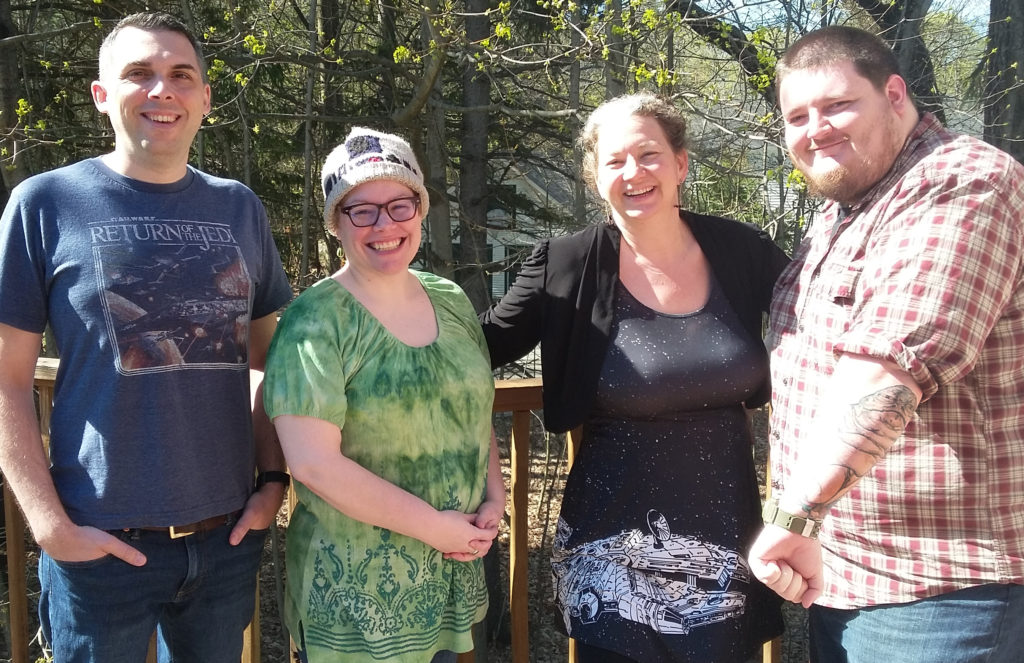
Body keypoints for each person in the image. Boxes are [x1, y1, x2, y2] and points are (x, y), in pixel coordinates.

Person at [0, 11, 292, 662]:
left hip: (224, 544)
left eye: (180, 75)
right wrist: (50, 526)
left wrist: (272, 482)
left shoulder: (240, 207)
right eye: (140, 74)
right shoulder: (44, 204)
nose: (162, 89)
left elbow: (267, 360)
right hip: (100, 549)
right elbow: (7, 381)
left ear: (205, 99)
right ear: (103, 95)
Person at [748, 25, 1024, 663]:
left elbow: (884, 374)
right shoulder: (841, 215)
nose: (816, 129)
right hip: (844, 573)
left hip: (947, 588)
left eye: (838, 105)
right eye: (797, 116)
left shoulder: (960, 182)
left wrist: (794, 517)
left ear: (896, 95)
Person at [480, 92, 787, 663]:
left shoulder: (741, 251)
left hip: (727, 530)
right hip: (610, 534)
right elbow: (477, 346)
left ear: (681, 165)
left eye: (648, 155)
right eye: (614, 161)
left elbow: (826, 323)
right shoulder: (565, 264)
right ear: (596, 178)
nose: (633, 173)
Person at [262, 126, 505, 663]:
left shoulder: (451, 300)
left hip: (445, 583)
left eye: (399, 205)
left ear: (420, 210)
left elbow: (473, 409)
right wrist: (439, 527)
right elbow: (314, 466)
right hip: (354, 602)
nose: (384, 225)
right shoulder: (314, 322)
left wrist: (494, 495)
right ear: (335, 224)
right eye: (361, 210)